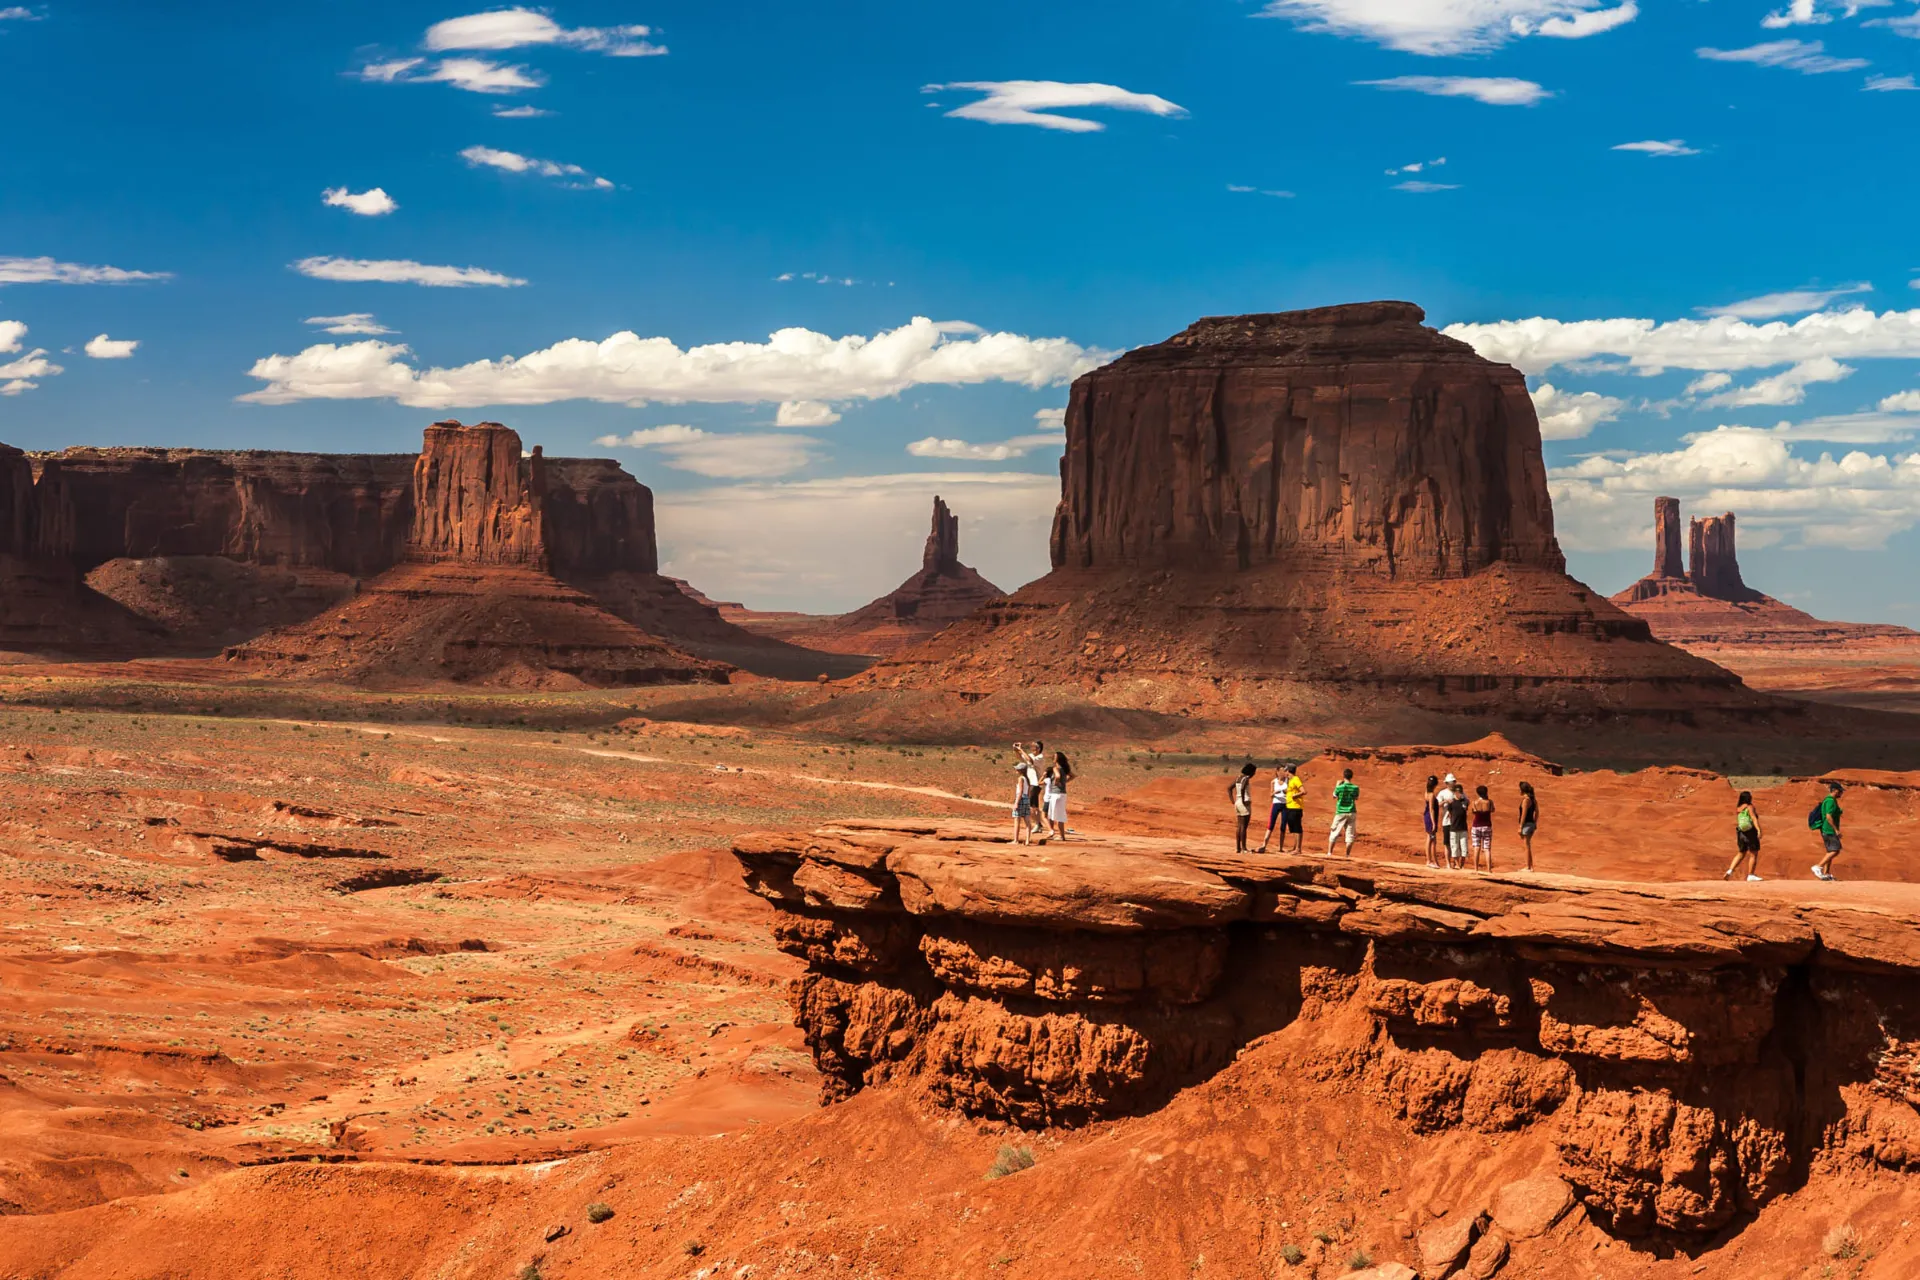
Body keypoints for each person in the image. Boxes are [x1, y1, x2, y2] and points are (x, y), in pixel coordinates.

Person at [1724, 789, 1762, 881]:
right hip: (1750, 832)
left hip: (1741, 832)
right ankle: (1750, 875)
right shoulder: (1749, 807)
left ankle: (1730, 871)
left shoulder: (1739, 808)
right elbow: (1753, 818)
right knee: (1753, 853)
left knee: (1741, 853)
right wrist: (1758, 830)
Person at [1015, 741, 1047, 840]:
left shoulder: (1040, 757)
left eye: (1034, 747)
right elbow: (1019, 758)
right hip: (1031, 784)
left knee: (1032, 805)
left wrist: (1021, 750)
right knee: (1034, 805)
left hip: (1035, 783)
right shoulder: (1030, 755)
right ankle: (1038, 824)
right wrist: (1016, 750)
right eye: (1032, 746)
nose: (1032, 748)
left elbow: (1030, 760)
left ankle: (1038, 824)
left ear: (1039, 749)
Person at [1812, 780, 1844, 881]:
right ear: (1834, 790)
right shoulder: (1830, 801)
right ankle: (1818, 866)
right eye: (1840, 791)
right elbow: (1828, 816)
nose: (1841, 793)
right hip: (1829, 829)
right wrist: (1836, 830)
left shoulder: (1830, 800)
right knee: (1835, 850)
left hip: (1827, 829)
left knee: (1830, 850)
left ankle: (1826, 873)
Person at [1437, 773, 1468, 870]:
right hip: (1447, 821)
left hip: (1457, 822)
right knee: (1447, 843)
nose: (1453, 784)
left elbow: (1467, 802)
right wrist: (1446, 802)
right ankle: (1448, 863)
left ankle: (1456, 864)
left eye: (1454, 782)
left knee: (1457, 843)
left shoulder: (1459, 792)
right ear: (1447, 783)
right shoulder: (1442, 793)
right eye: (1451, 782)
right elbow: (1437, 804)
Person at [1043, 750, 1074, 842]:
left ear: (1057, 759)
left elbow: (1057, 776)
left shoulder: (1055, 768)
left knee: (1052, 815)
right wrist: (1064, 782)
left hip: (1055, 794)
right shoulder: (1065, 769)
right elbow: (1073, 776)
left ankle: (1053, 833)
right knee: (1059, 815)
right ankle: (1062, 836)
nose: (1053, 757)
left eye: (1054, 756)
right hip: (1062, 794)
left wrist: (1057, 783)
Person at [1256, 763, 1288, 853]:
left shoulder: (1288, 781)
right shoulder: (1273, 782)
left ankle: (1281, 847)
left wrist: (1287, 792)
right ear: (1277, 772)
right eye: (1281, 770)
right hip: (1276, 803)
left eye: (1284, 770)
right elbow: (1270, 795)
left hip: (1286, 804)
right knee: (1271, 824)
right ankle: (1264, 844)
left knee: (1283, 825)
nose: (1283, 772)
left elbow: (1291, 792)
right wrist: (1275, 793)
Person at [1328, 768, 1359, 856]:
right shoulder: (1355, 788)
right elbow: (1356, 798)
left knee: (1334, 832)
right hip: (1352, 811)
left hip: (1340, 811)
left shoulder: (1340, 787)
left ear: (1344, 776)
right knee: (1350, 834)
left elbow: (1334, 796)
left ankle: (1329, 853)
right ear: (1351, 777)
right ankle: (1347, 855)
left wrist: (1337, 785)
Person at [1280, 762, 1306, 854]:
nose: (1284, 772)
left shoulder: (1296, 779)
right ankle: (1295, 847)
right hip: (1290, 806)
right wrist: (1286, 791)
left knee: (1297, 827)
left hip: (1296, 807)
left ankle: (1298, 849)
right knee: (1293, 828)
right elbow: (1292, 790)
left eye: (1285, 770)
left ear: (1288, 771)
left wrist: (1295, 795)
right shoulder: (1290, 781)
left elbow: (1303, 791)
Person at [1230, 761, 1256, 852]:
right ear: (1251, 771)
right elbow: (1242, 788)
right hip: (1244, 803)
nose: (1254, 774)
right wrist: (1244, 799)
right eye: (1254, 772)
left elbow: (1229, 788)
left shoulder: (1238, 778)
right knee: (1244, 826)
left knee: (1239, 826)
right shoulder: (1246, 778)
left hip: (1238, 802)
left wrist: (1233, 801)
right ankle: (1244, 848)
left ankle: (1238, 848)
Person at [1468, 784, 1495, 872]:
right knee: (1487, 848)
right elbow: (1492, 810)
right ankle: (1489, 869)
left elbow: (1473, 811)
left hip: (1476, 826)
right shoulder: (1490, 802)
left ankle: (1476, 869)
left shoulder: (1475, 802)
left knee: (1476, 847)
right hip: (1487, 825)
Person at [1516, 781, 1539, 872]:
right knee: (1528, 844)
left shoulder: (1526, 800)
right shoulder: (1533, 799)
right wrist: (1535, 822)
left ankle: (1528, 867)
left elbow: (1523, 814)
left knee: (1526, 845)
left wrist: (1520, 826)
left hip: (1526, 824)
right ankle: (1531, 866)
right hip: (1531, 824)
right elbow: (1537, 812)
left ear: (1522, 790)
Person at [1010, 761, 1034, 845]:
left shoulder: (1020, 778)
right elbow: (1028, 792)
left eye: (1018, 769)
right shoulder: (1027, 779)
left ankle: (1016, 840)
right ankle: (1027, 840)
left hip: (1021, 798)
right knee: (1027, 820)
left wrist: (1016, 802)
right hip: (1026, 799)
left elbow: (1020, 791)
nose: (1016, 770)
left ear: (1021, 770)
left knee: (1017, 819)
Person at [1422, 774, 1441, 868]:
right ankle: (1429, 861)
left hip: (1427, 816)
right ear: (1435, 785)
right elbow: (1431, 809)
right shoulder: (1432, 795)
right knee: (1431, 839)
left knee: (1431, 839)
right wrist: (1434, 823)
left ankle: (1433, 861)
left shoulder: (1426, 792)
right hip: (1430, 817)